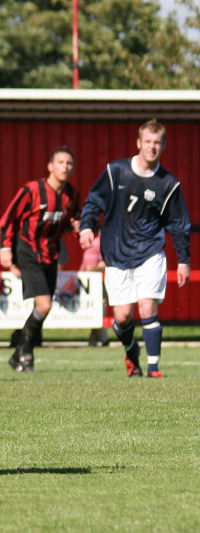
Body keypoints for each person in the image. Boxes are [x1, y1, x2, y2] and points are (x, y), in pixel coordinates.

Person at [79, 119, 191, 378]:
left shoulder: (168, 183)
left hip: (150, 251)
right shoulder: (116, 171)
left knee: (148, 307)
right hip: (117, 253)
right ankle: (132, 352)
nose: (152, 147)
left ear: (163, 146)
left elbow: (179, 224)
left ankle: (153, 367)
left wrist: (183, 260)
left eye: (157, 143)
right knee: (123, 317)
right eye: (148, 142)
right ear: (138, 143)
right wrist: (86, 226)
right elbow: (94, 200)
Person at [0, 146, 80, 372]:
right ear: (50, 166)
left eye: (69, 163)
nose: (65, 167)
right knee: (44, 304)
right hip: (28, 252)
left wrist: (81, 226)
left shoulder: (71, 195)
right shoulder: (32, 190)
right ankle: (25, 349)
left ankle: (19, 352)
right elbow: (8, 218)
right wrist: (4, 248)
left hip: (50, 254)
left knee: (43, 307)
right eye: (60, 162)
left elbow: (76, 218)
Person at [79, 232, 110, 347]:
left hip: (100, 283)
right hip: (91, 285)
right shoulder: (96, 244)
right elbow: (89, 268)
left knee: (100, 310)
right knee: (99, 310)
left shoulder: (108, 243)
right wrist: (105, 264)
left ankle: (93, 339)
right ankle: (104, 338)